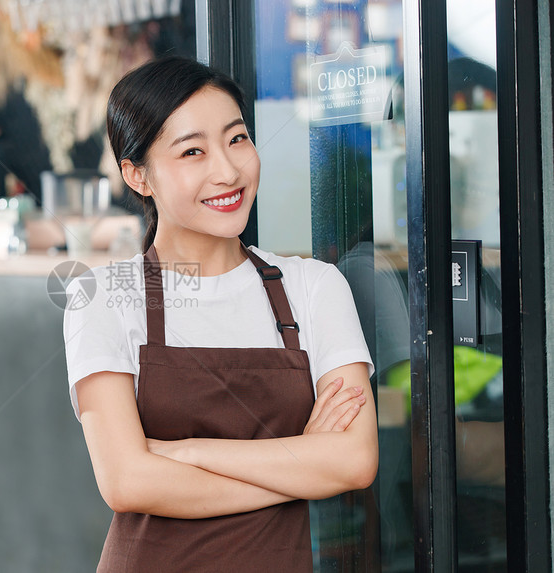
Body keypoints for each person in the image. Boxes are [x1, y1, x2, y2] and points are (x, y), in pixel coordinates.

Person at [62, 56, 378, 572]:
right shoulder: (99, 297)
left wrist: (183, 454)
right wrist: (301, 460)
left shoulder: (314, 287)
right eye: (193, 151)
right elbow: (127, 482)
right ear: (137, 175)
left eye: (237, 139)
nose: (228, 170)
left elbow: (354, 461)